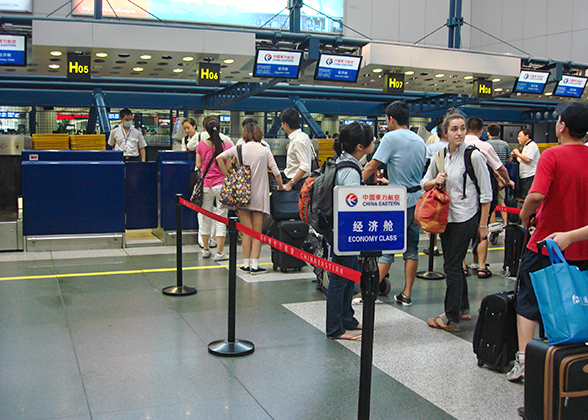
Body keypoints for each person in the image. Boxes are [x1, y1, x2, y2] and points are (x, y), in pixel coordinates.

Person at [507, 102, 588, 382]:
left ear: (562, 126)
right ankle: (571, 362)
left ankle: (525, 362)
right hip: (582, 249)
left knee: (527, 302)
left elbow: (537, 195)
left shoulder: (552, 155)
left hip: (546, 244)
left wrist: (524, 215)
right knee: (576, 302)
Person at [422, 114, 492, 332]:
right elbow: (424, 182)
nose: (460, 133)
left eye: (462, 128)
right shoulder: (440, 155)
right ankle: (462, 308)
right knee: (455, 264)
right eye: (454, 129)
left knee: (452, 266)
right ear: (445, 133)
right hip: (446, 217)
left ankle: (451, 317)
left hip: (466, 217)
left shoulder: (474, 156)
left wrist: (482, 225)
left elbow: (487, 194)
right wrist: (435, 181)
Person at [362, 101, 427, 305]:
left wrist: (353, 183)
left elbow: (373, 164)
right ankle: (406, 294)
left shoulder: (390, 137)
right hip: (417, 201)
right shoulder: (419, 140)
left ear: (391, 119)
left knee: (386, 247)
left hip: (397, 203)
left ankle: (369, 295)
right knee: (411, 249)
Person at [326, 122, 375, 341]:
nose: (374, 142)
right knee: (339, 279)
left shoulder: (342, 161)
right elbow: (351, 206)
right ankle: (335, 328)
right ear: (360, 145)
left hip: (339, 228)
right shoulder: (350, 170)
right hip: (344, 231)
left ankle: (348, 318)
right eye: (372, 140)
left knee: (350, 273)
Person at [216, 122, 284, 274]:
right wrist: (280, 186)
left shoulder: (239, 148)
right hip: (259, 196)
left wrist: (229, 176)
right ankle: (255, 265)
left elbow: (219, 158)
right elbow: (276, 172)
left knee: (246, 231)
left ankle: (246, 264)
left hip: (242, 194)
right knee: (257, 232)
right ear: (259, 133)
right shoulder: (264, 150)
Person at [464, 117, 514, 278]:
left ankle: (463, 265)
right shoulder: (485, 146)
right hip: (482, 195)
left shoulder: (457, 144)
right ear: (480, 131)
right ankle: (481, 266)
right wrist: (507, 181)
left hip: (462, 196)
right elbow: (500, 167)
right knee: (482, 228)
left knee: (461, 231)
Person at [188, 116, 234, 249]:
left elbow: (198, 164)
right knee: (221, 217)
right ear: (220, 129)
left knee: (205, 217)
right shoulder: (227, 145)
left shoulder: (201, 145)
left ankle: (205, 248)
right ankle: (219, 251)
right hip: (222, 185)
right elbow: (229, 167)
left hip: (206, 186)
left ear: (205, 131)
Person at [423, 118, 450, 256]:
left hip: (434, 188)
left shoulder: (431, 148)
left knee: (432, 216)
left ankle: (433, 246)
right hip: (450, 193)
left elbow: (426, 166)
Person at [280, 107, 314, 191]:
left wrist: (290, 184)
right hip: (302, 181)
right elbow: (312, 156)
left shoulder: (297, 141)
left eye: (282, 123)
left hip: (297, 184)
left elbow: (305, 167)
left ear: (286, 124)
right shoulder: (304, 136)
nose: (282, 126)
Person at [486, 123, 513, 223]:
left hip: (490, 177)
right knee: (501, 201)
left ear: (488, 133)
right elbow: (510, 158)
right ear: (499, 133)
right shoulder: (505, 144)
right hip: (502, 176)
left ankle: (492, 224)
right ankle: (505, 223)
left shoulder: (487, 144)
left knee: (491, 201)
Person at [511, 128, 540, 198]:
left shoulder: (532, 145)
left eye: (520, 136)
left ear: (527, 136)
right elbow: (522, 160)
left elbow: (528, 159)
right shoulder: (525, 146)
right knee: (523, 194)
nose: (518, 138)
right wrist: (516, 156)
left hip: (530, 175)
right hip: (524, 175)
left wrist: (518, 153)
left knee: (527, 195)